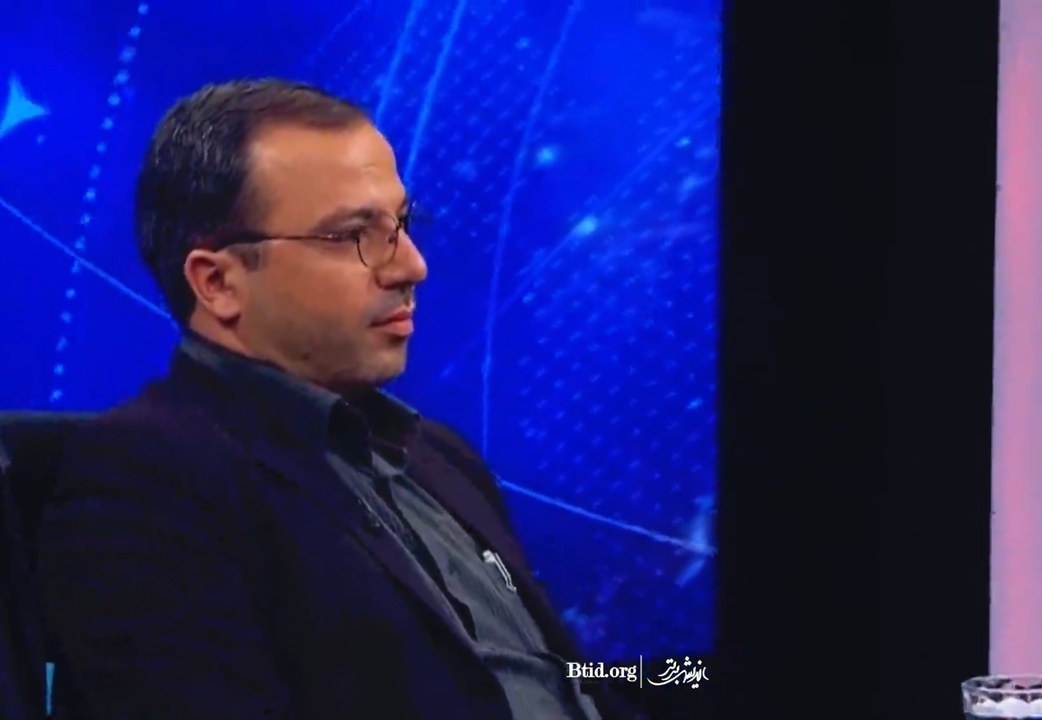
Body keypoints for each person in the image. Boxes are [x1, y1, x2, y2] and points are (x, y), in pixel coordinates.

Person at [37, 79, 641, 720]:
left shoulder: (439, 458)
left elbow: (566, 677)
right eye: (354, 234)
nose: (411, 266)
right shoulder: (145, 481)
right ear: (218, 282)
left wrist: (696, 677)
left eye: (403, 224)